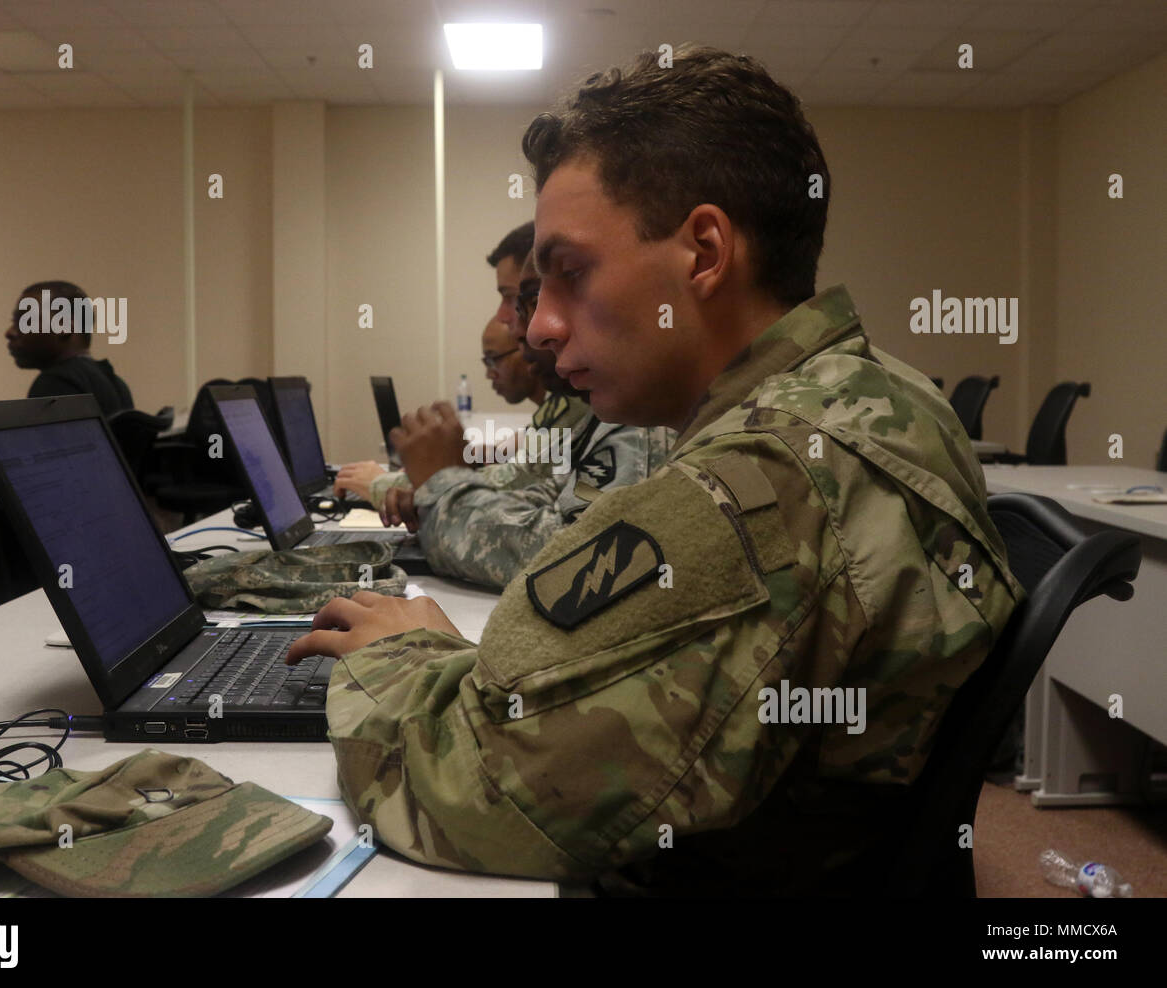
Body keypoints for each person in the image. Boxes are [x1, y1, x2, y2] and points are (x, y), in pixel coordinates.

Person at [287, 46, 1022, 894]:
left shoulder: (759, 481)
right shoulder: (881, 390)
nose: (541, 329)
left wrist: (398, 654)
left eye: (570, 274)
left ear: (704, 254)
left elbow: (477, 793)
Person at [378, 253, 671, 589]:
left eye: (523, 302)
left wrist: (443, 486)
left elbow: (579, 563)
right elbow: (541, 499)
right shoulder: (603, 414)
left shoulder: (641, 417)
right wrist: (433, 496)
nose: (529, 332)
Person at [336, 222, 555, 509]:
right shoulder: (561, 408)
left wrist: (383, 483)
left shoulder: (583, 402)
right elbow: (527, 461)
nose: (505, 318)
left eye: (513, 297)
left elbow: (515, 482)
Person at [0, 281, 133, 501]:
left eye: (25, 320)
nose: (9, 332)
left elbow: (35, 472)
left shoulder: (57, 383)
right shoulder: (112, 380)